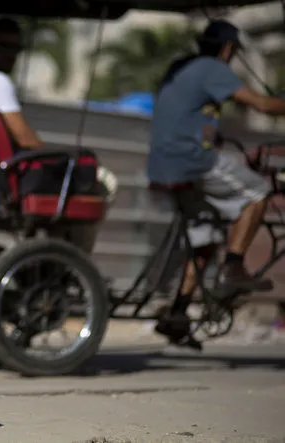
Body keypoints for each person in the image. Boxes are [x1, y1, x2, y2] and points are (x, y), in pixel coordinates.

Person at [147, 20, 285, 345]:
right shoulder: (211, 67)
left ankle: (178, 313)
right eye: (234, 51)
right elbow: (262, 104)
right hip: (192, 160)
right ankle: (234, 268)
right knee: (258, 192)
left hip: (163, 163)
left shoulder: (182, 66)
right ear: (227, 49)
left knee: (204, 236)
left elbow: (185, 111)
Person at [0, 17, 109, 253]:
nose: (11, 55)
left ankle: (53, 260)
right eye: (3, 46)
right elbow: (24, 137)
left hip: (6, 172)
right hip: (17, 175)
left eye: (16, 49)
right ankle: (75, 264)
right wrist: (54, 154)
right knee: (102, 184)